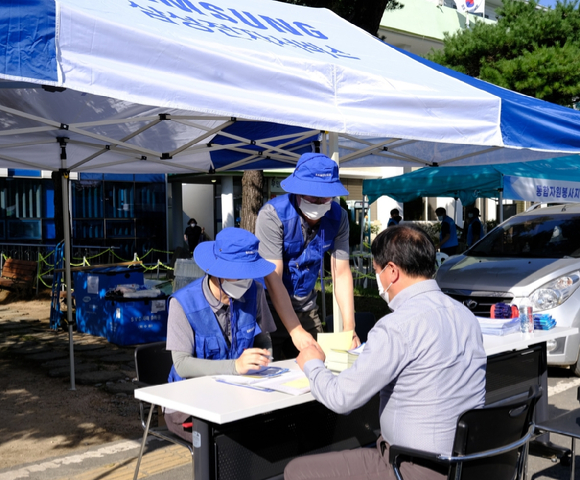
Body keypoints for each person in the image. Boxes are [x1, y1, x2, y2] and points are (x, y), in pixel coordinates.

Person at [284, 224, 486, 480]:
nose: (378, 279)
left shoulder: (396, 327)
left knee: (297, 471)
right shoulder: (465, 316)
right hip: (469, 462)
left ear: (392, 271)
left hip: (413, 467)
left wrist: (313, 364)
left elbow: (342, 399)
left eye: (377, 270)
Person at [164, 227, 277, 441]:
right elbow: (181, 364)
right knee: (225, 443)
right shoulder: (183, 303)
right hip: (188, 405)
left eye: (250, 274)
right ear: (217, 273)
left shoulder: (255, 290)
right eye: (240, 275)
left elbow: (264, 338)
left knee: (272, 431)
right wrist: (234, 367)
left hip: (237, 397)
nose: (247, 281)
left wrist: (265, 357)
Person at [255, 152, 359, 360]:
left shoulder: (339, 218)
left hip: (307, 306)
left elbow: (341, 272)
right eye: (313, 196)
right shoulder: (272, 215)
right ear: (298, 191)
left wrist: (350, 327)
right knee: (268, 373)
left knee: (318, 368)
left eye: (325, 196)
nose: (320, 202)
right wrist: (295, 330)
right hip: (268, 309)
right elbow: (273, 278)